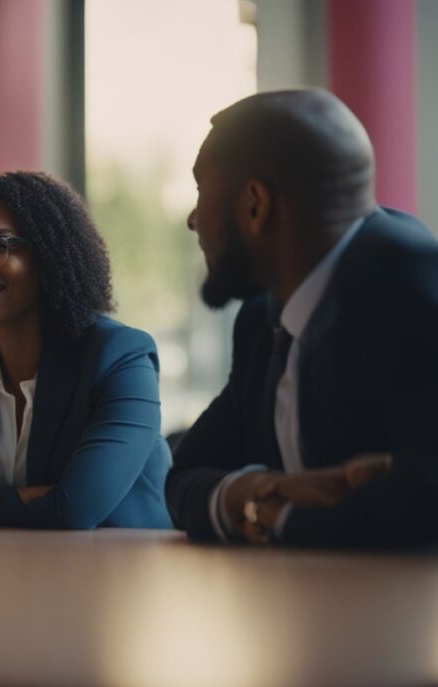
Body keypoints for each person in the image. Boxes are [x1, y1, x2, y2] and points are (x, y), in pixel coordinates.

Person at [167, 89, 438, 548]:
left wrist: (280, 518)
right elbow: (183, 478)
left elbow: (425, 503)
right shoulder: (262, 318)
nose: (194, 219)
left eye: (200, 190)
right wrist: (253, 495)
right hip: (294, 605)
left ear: (256, 205)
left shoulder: (414, 291)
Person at [0, 171, 172, 529]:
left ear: (48, 257)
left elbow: (74, 511)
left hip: (122, 572)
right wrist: (34, 499)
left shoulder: (120, 356)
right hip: (2, 571)